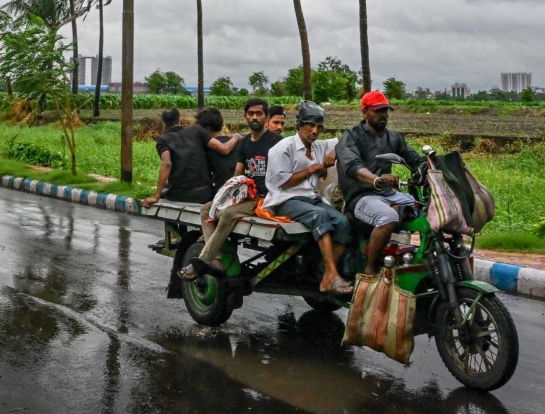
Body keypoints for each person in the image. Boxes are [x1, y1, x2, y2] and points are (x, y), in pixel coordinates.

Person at [179, 98, 281, 280]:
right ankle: (216, 261)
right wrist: (223, 197)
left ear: (266, 118)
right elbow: (237, 174)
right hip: (247, 195)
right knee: (207, 210)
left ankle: (202, 261)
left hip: (265, 198)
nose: (254, 117)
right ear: (245, 117)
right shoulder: (245, 143)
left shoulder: (276, 142)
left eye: (259, 113)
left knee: (227, 214)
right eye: (251, 114)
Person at [264, 101, 353, 295]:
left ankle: (324, 272)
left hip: (311, 199)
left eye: (319, 127)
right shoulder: (283, 148)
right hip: (285, 200)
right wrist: (311, 169)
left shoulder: (319, 146)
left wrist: (335, 150)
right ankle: (331, 274)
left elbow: (348, 137)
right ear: (299, 124)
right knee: (319, 215)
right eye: (310, 126)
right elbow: (282, 183)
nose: (315, 131)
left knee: (343, 222)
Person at [335, 90, 427, 275]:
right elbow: (353, 166)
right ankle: (370, 269)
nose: (383, 114)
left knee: (426, 211)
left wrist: (433, 167)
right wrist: (376, 180)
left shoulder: (393, 137)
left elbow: (414, 160)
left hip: (386, 194)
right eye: (377, 110)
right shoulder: (351, 136)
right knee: (388, 217)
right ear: (365, 112)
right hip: (360, 196)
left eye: (385, 110)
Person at [143, 108, 240, 208]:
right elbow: (224, 149)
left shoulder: (163, 140)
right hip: (203, 194)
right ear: (180, 120)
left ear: (164, 124)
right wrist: (236, 137)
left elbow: (166, 163)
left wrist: (156, 196)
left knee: (167, 195)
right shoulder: (197, 130)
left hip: (179, 195)